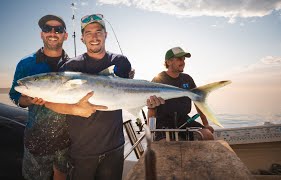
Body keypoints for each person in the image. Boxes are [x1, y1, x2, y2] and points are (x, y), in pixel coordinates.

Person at [59, 14, 164, 180]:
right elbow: (54, 101)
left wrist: (149, 103)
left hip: (114, 147)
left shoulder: (121, 62)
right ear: (82, 38)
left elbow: (126, 93)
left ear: (105, 34)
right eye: (88, 33)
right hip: (81, 150)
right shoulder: (71, 66)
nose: (94, 37)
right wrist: (74, 108)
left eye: (98, 31)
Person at [9, 14, 104, 180]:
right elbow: (15, 95)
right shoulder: (26, 63)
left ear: (65, 35)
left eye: (58, 29)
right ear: (41, 34)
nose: (52, 33)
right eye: (47, 29)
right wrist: (28, 100)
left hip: (68, 141)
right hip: (36, 140)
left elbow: (96, 87)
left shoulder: (75, 65)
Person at [148, 47, 214, 141]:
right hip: (163, 123)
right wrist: (150, 131)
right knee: (167, 144)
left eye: (184, 59)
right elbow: (151, 107)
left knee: (208, 135)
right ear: (169, 62)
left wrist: (206, 124)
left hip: (184, 120)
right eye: (179, 59)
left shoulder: (188, 79)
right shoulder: (158, 80)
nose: (183, 62)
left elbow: (198, 103)